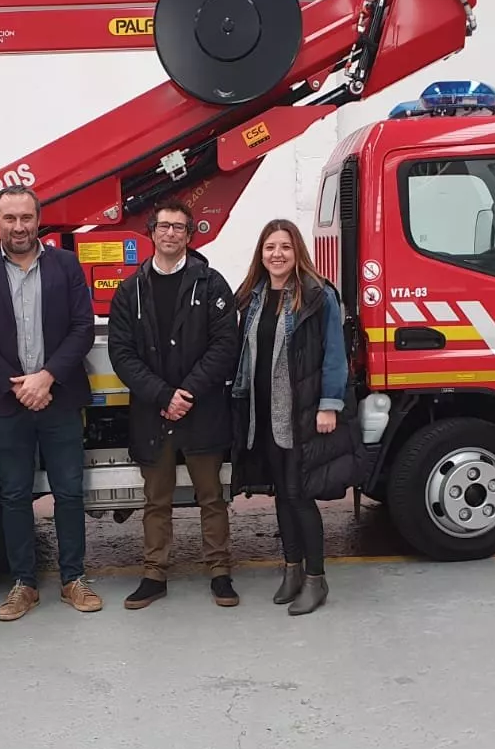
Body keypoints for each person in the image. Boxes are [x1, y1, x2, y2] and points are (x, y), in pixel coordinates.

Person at [0, 186, 100, 621]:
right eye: (9, 218)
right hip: (6, 401)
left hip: (59, 396)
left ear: (39, 220)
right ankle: (24, 584)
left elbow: (82, 328)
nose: (19, 227)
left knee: (69, 493)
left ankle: (74, 578)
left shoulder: (66, 265)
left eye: (26, 218)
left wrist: (47, 376)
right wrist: (17, 384)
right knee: (14, 494)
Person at [107, 197, 240, 609]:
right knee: (156, 499)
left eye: (179, 228)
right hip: (154, 412)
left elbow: (224, 345)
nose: (170, 234)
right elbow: (121, 352)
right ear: (151, 232)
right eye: (163, 226)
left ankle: (219, 572)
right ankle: (153, 574)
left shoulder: (212, 283)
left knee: (211, 496)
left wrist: (187, 393)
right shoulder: (130, 290)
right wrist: (163, 395)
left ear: (189, 234)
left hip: (202, 410)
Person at [229, 218, 360, 615]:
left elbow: (335, 355)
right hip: (263, 415)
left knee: (300, 495)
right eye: (270, 247)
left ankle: (316, 579)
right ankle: (292, 568)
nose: (277, 254)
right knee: (282, 495)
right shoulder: (253, 296)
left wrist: (328, 404)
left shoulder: (318, 296)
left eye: (285, 246)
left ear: (296, 250)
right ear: (261, 253)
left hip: (303, 412)